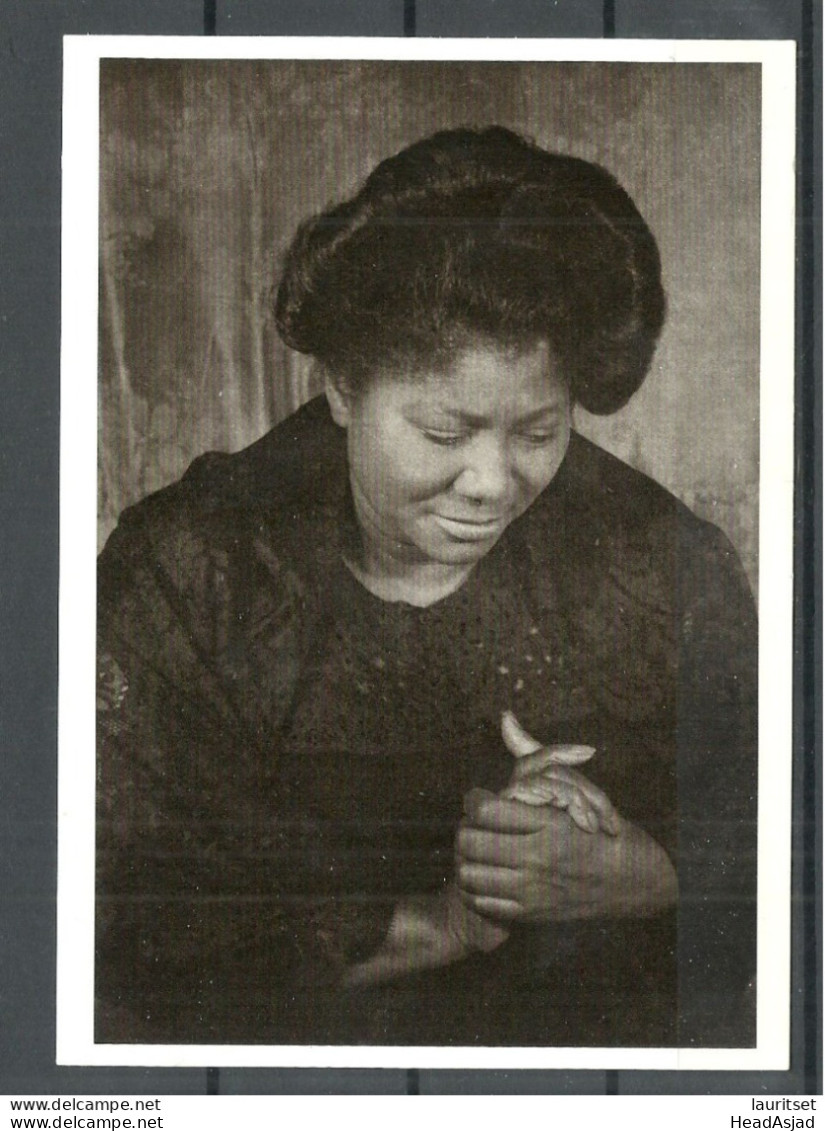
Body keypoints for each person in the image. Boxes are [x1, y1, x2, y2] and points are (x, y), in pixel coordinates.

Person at [95, 125, 757, 1048]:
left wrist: (651, 872)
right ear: (340, 389)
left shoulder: (660, 562)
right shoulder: (191, 573)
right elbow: (118, 934)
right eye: (445, 432)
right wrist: (456, 916)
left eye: (537, 430)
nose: (492, 482)